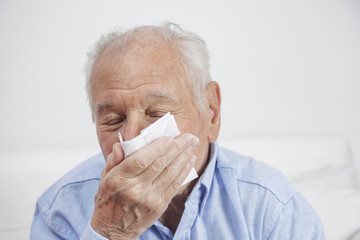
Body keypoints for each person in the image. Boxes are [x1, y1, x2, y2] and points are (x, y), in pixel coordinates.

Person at [30, 22, 325, 239]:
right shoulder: (58, 213)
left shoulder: (271, 207)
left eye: (157, 114)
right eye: (113, 119)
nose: (132, 137)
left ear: (211, 111)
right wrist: (108, 232)